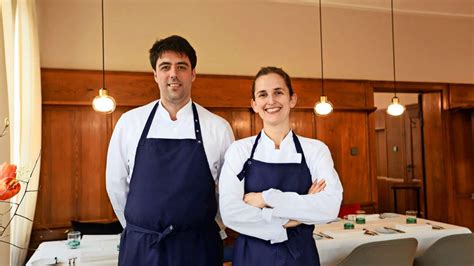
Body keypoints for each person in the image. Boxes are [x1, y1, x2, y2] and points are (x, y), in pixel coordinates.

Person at [106, 35, 234, 266]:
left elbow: (226, 192)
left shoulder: (218, 127)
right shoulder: (129, 123)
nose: (173, 74)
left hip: (198, 247)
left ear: (193, 74)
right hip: (143, 248)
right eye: (165, 67)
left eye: (181, 67)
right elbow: (115, 185)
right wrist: (139, 229)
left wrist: (212, 226)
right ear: (155, 74)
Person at [219, 66, 343, 266]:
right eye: (262, 95)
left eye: (278, 92)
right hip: (252, 257)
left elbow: (329, 207)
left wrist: (265, 198)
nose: (271, 101)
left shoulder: (315, 150)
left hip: (301, 257)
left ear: (292, 99)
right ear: (254, 104)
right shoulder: (239, 150)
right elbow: (230, 213)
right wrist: (297, 217)